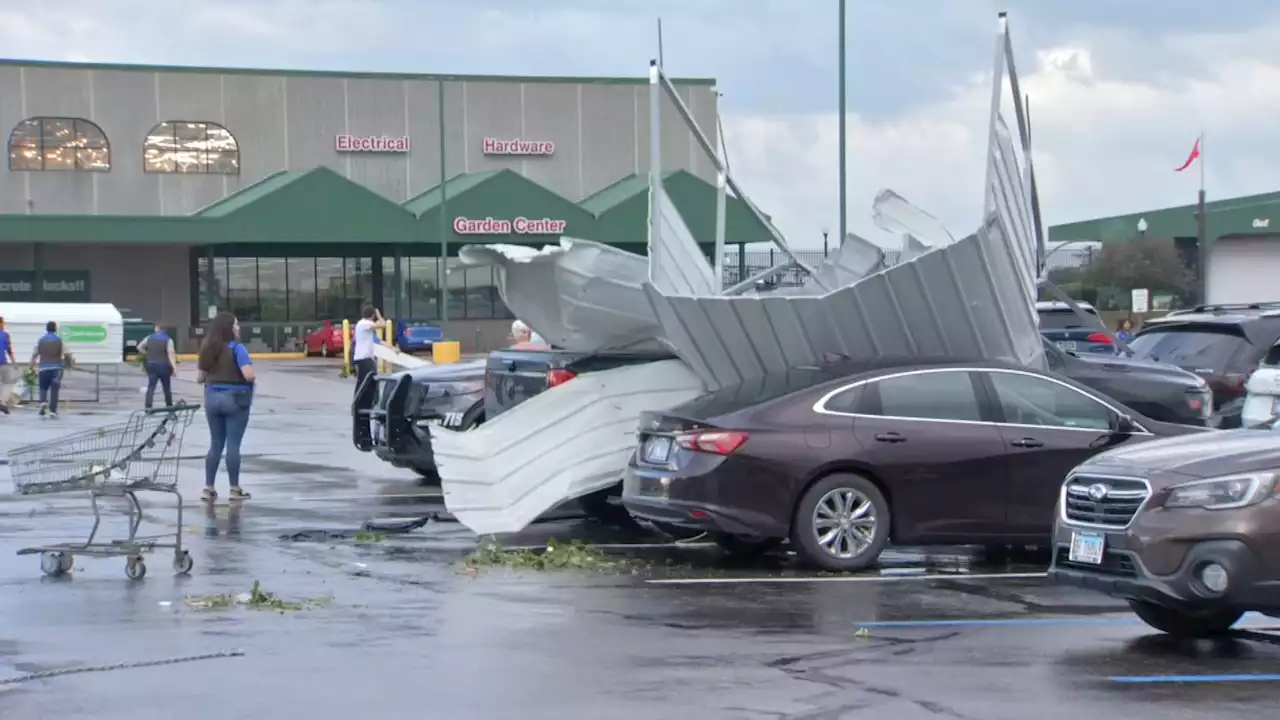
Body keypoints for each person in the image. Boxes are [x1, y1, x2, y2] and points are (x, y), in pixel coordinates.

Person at [196, 312, 255, 502]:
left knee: (215, 443)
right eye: (235, 325)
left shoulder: (208, 349)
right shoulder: (238, 349)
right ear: (228, 328)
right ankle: (234, 488)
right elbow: (249, 375)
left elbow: (199, 378)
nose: (238, 328)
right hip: (235, 400)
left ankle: (208, 487)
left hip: (212, 398)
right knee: (233, 445)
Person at [137, 323, 177, 410]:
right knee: (166, 388)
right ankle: (169, 406)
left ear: (157, 328)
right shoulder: (168, 339)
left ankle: (148, 407)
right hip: (164, 366)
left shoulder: (149, 338)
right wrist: (174, 367)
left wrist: (147, 353)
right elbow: (171, 353)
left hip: (151, 365)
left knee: (151, 386)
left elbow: (139, 347)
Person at [30, 321, 63, 418]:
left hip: (43, 368)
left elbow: (34, 354)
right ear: (55, 329)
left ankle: (43, 403)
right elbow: (67, 353)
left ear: (46, 329)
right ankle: (53, 410)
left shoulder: (41, 340)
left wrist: (31, 366)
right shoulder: (59, 340)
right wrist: (69, 364)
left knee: (43, 388)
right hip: (56, 369)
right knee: (54, 390)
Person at [351, 306, 385, 395]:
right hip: (364, 357)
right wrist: (378, 314)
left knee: (362, 380)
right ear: (372, 315)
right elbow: (383, 324)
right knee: (372, 378)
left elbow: (377, 340)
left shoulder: (362, 324)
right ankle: (374, 399)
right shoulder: (365, 323)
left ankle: (359, 400)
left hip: (363, 357)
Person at [0, 317, 14, 415]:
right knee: (8, 384)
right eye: (3, 323)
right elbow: (9, 350)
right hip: (3, 363)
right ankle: (2, 402)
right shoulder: (5, 335)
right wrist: (14, 362)